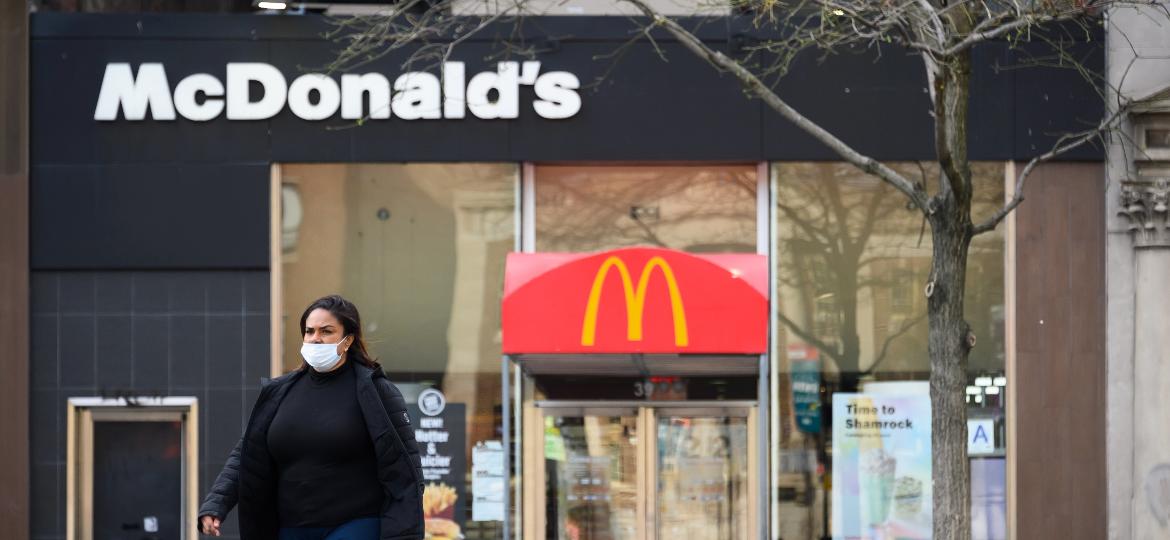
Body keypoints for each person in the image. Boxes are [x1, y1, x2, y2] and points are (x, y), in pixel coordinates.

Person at [197, 295, 424, 540]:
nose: (316, 338)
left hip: (356, 523)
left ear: (347, 340)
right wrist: (216, 504)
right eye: (309, 331)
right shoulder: (279, 392)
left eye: (326, 331)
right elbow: (246, 455)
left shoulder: (376, 392)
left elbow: (404, 468)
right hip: (290, 526)